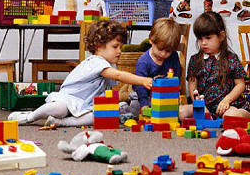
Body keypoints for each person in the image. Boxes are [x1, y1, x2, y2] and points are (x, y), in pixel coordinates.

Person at [8, 20, 152, 127]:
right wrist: (143, 80)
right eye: (115, 47)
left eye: (120, 47)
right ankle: (30, 117)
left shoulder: (109, 64)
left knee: (98, 117)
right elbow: (119, 76)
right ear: (98, 46)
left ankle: (61, 122)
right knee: (59, 108)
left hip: (86, 104)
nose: (119, 51)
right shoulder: (97, 61)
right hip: (69, 99)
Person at [179, 11, 250, 120]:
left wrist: (227, 100)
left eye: (208, 38)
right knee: (181, 112)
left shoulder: (231, 58)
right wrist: (200, 106)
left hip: (228, 105)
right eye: (200, 39)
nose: (203, 43)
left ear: (221, 36)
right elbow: (192, 86)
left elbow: (240, 85)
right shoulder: (195, 60)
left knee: (231, 115)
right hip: (203, 106)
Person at [133, 18, 181, 111]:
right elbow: (139, 86)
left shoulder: (173, 56)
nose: (163, 54)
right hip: (145, 96)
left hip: (165, 96)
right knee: (135, 104)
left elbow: (177, 76)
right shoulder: (143, 62)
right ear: (151, 40)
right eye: (160, 49)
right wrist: (144, 105)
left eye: (168, 51)